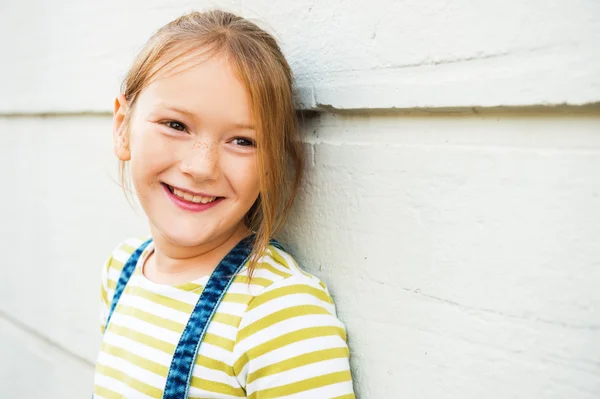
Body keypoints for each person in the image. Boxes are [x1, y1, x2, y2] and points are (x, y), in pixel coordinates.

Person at [94, 9, 355, 399]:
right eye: (176, 125)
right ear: (122, 128)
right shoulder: (122, 270)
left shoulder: (277, 311)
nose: (201, 167)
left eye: (242, 141)